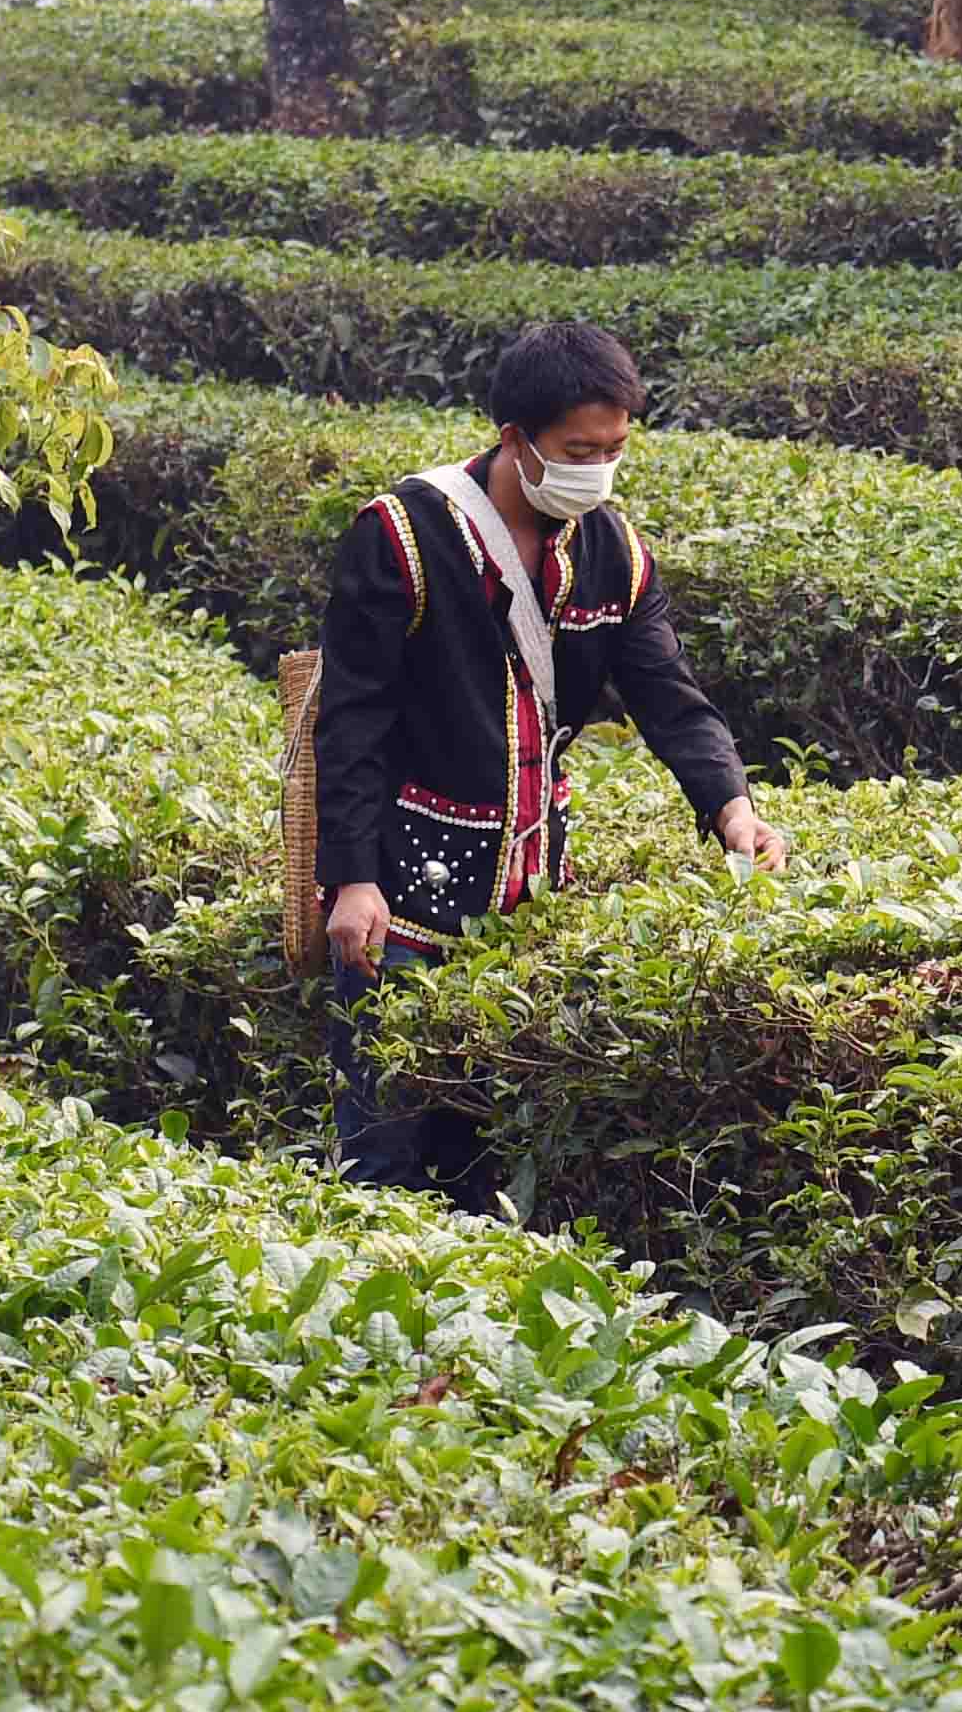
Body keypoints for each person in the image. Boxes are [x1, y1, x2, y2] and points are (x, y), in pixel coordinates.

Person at [311, 319, 789, 1190]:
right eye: (578, 449)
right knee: (383, 1147)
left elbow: (668, 695)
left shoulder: (614, 550)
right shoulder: (404, 536)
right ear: (515, 439)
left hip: (526, 903)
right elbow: (351, 719)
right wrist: (350, 878)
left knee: (486, 1164)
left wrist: (732, 805)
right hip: (402, 894)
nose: (597, 469)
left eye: (613, 449)